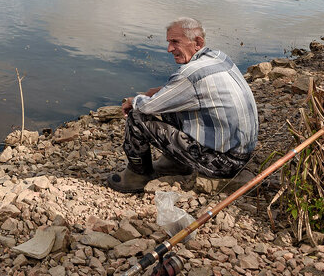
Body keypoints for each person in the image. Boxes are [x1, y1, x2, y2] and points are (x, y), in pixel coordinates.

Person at [107, 17, 258, 193]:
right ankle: (175, 163)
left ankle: (137, 176)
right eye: (169, 42)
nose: (169, 49)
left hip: (223, 164)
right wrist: (157, 92)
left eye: (175, 42)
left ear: (197, 43)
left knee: (137, 117)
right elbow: (184, 91)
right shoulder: (218, 57)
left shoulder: (190, 74)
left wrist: (133, 101)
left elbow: (147, 108)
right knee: (169, 103)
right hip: (240, 156)